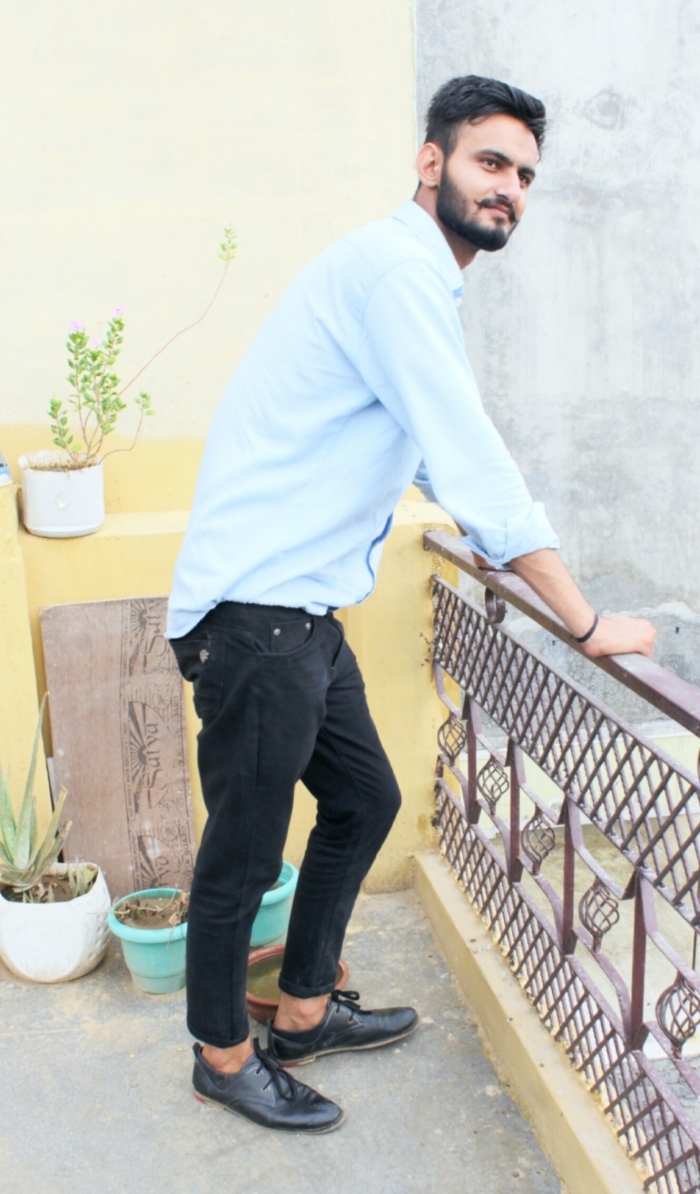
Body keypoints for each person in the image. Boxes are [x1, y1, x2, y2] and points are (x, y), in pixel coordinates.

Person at [167, 74, 656, 1134]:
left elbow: (429, 450)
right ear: (431, 162)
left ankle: (303, 1012)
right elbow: (472, 459)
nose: (510, 187)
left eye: (525, 175)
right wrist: (582, 621)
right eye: (490, 162)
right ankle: (223, 1055)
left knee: (363, 801)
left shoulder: (411, 278)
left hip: (300, 612)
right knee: (243, 853)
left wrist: (482, 532)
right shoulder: (398, 273)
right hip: (258, 616)